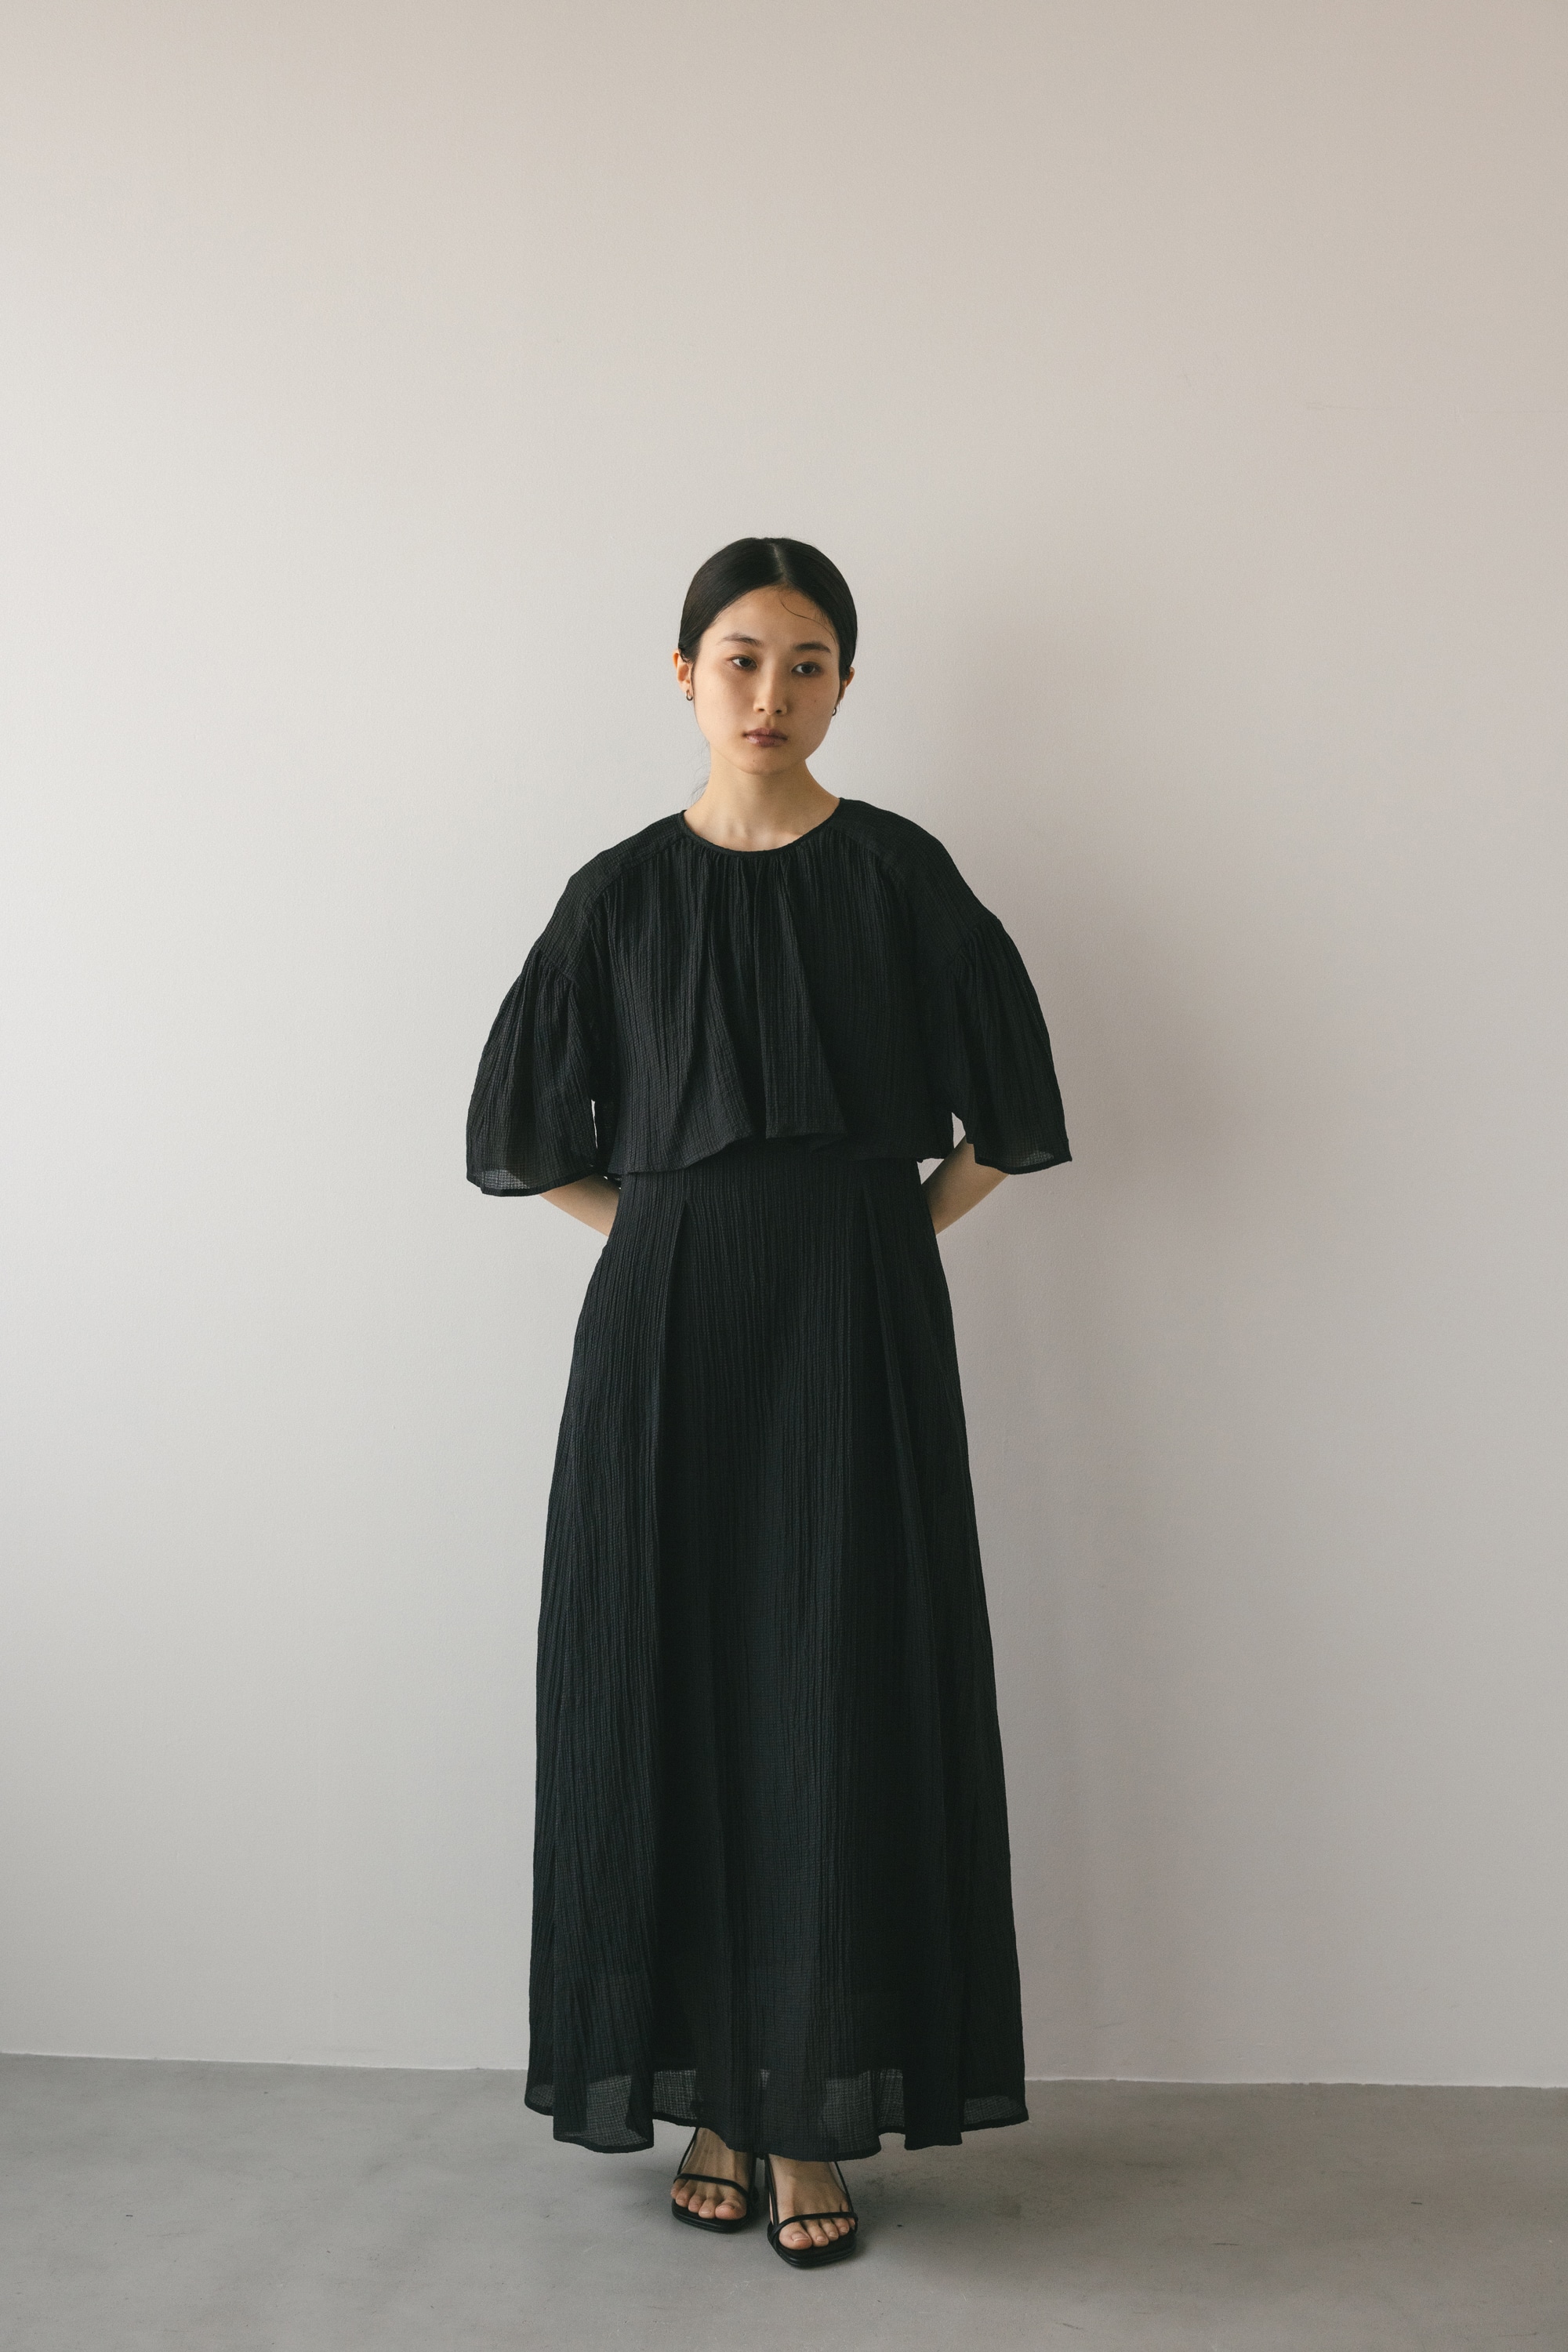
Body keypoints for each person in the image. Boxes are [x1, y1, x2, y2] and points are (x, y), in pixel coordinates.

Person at [466, 536, 1070, 2269]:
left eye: (808, 663)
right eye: (740, 658)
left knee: (834, 1690)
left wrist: (873, 1240)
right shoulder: (617, 895)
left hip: (854, 1329)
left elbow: (1008, 1118)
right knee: (668, 1680)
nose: (771, 693)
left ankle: (808, 2114)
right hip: (663, 1340)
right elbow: (523, 1136)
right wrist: (667, 1235)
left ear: (844, 686)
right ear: (684, 674)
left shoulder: (898, 874)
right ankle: (715, 2099)